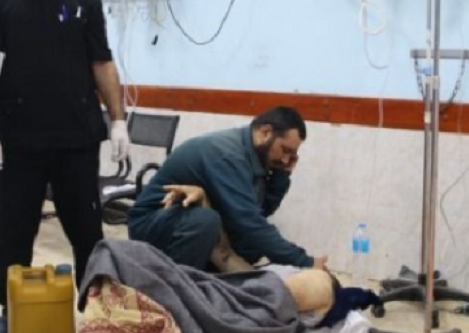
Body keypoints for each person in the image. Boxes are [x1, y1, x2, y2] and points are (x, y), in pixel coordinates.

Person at [0, 0, 129, 333]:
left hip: (76, 140)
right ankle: (11, 313)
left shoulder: (85, 2)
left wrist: (118, 119)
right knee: (14, 232)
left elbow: (102, 63)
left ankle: (96, 313)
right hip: (19, 141)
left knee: (87, 233)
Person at [129, 106, 328, 272]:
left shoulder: (255, 156)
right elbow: (249, 222)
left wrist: (281, 176)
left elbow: (260, 211)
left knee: (252, 244)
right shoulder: (228, 155)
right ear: (265, 133)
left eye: (292, 155)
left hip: (184, 220)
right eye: (285, 150)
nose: (286, 159)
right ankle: (180, 288)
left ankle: (209, 277)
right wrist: (305, 262)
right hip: (152, 221)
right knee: (206, 221)